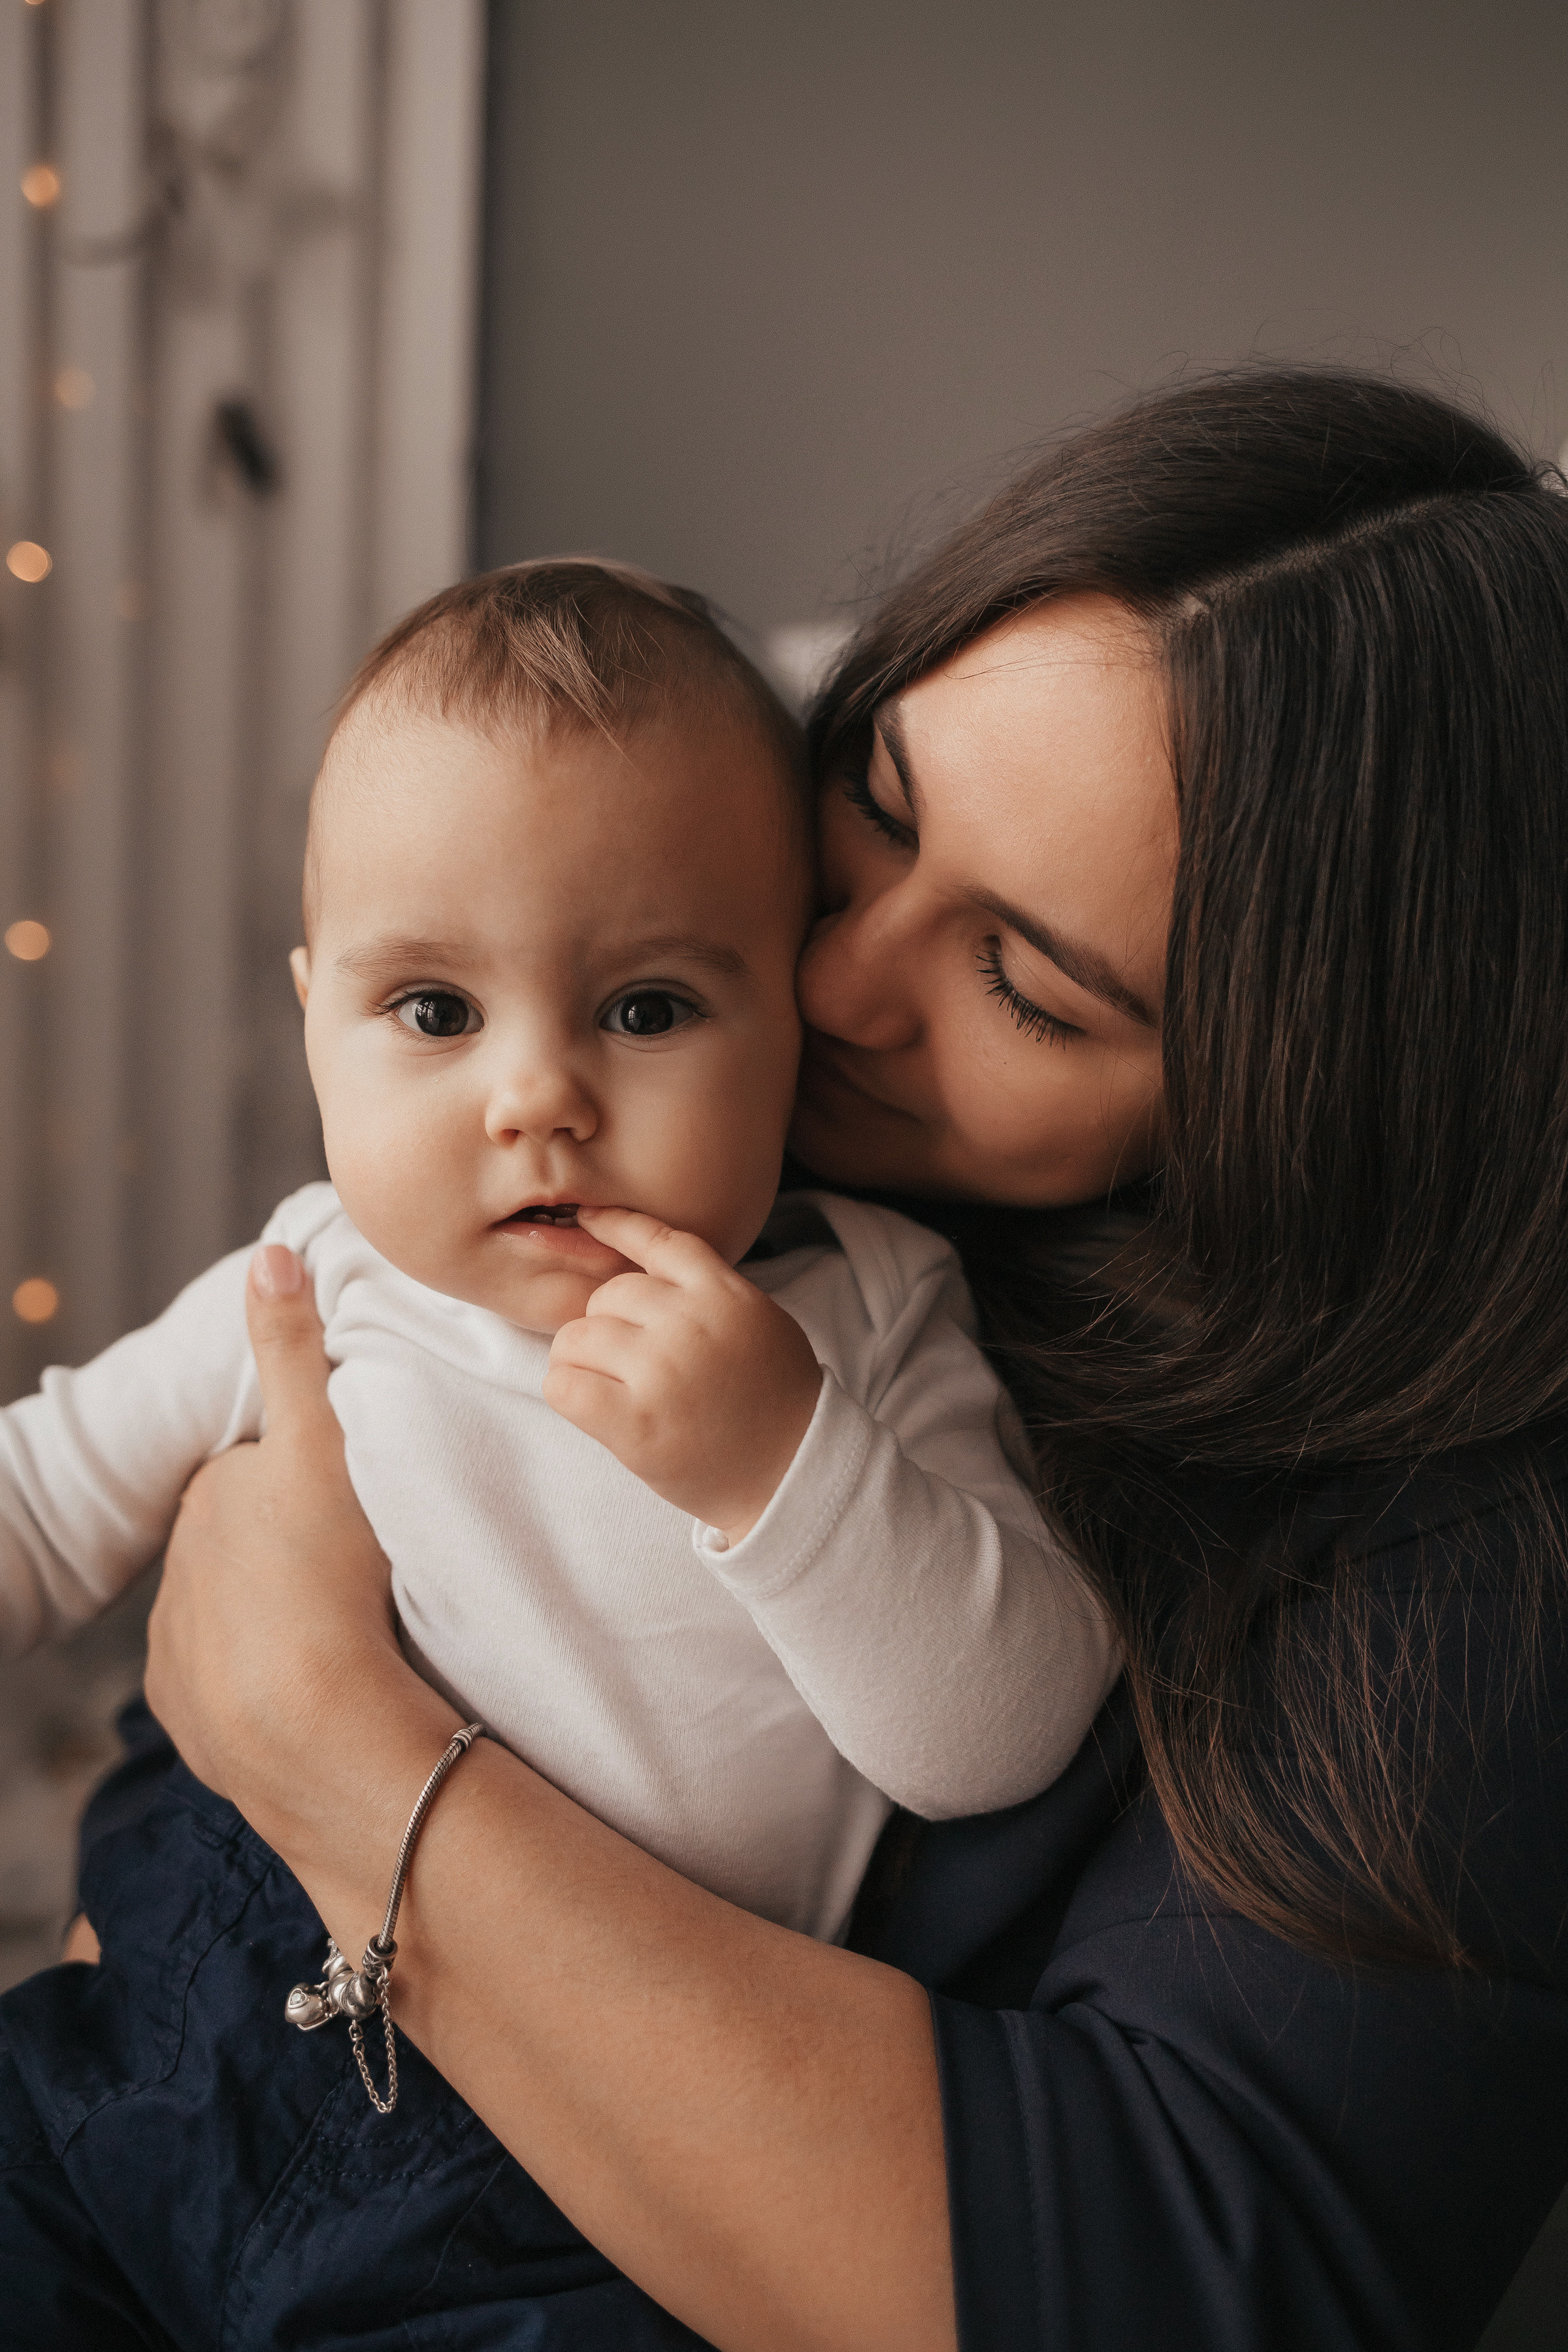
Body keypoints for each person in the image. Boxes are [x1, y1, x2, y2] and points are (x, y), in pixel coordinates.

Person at [7, 366, 1568, 2351]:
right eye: (877, 816)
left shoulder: (1431, 1562)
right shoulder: (570, 1142)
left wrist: (324, 1735)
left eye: (1021, 979)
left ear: (1292, 1112)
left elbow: (1168, 2257)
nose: (828, 977)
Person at [0, 561, 1114, 2323]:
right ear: (315, 1015)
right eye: (433, 1012)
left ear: (788, 1026)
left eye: (648, 1008)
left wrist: (779, 1467)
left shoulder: (868, 1318)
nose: (538, 1095)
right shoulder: (315, 1274)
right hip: (164, 2021)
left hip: (562, 2175)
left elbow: (997, 1734)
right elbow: (45, 1498)